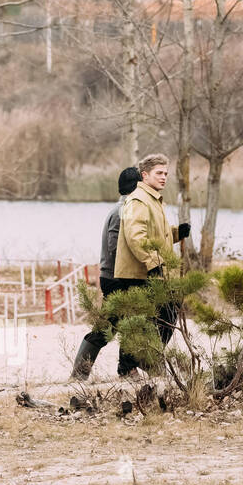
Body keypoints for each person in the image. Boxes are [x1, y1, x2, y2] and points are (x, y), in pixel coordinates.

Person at [114, 153, 190, 372]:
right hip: (139, 272)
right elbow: (135, 236)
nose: (164, 177)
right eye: (159, 173)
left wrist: (177, 233)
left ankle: (147, 360)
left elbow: (157, 235)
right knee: (139, 322)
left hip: (153, 269)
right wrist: (152, 261)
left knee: (166, 316)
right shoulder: (139, 199)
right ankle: (128, 369)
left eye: (166, 173)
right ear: (145, 175)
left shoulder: (153, 198)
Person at [71, 167, 144, 379]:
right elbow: (115, 246)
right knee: (107, 327)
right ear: (136, 187)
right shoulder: (123, 211)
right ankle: (79, 374)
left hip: (118, 276)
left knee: (128, 323)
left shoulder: (124, 209)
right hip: (115, 277)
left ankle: (127, 369)